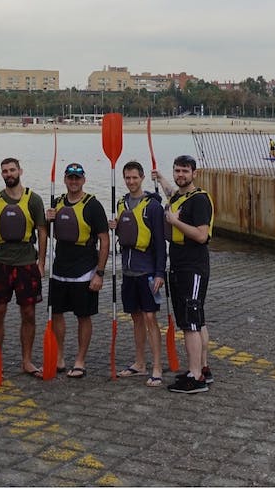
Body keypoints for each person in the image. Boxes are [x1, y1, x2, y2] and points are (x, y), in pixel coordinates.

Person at [153, 155, 214, 394]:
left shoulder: (199, 200)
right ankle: (202, 368)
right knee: (197, 319)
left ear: (194, 174)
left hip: (193, 266)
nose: (180, 175)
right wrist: (160, 179)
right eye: (177, 171)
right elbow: (171, 193)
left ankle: (195, 376)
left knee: (190, 323)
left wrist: (174, 222)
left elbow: (201, 236)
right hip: (179, 264)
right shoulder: (180, 196)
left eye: (185, 171)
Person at [0, 157, 47, 377]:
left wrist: (41, 262)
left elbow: (42, 231)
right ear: (1, 174)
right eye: (5, 171)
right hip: (1, 262)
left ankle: (27, 361)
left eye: (12, 170)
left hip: (26, 264)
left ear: (20, 171)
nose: (9, 174)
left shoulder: (34, 199)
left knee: (28, 313)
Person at [45, 162, 109, 378]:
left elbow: (104, 239)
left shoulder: (93, 205)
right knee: (57, 314)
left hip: (84, 270)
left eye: (77, 178)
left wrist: (99, 273)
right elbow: (51, 233)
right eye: (70, 177)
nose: (73, 181)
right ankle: (60, 356)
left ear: (83, 180)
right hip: (60, 268)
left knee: (83, 316)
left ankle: (80, 360)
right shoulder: (57, 203)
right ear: (64, 179)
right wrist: (48, 219)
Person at [108, 161, 166, 386]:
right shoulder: (121, 203)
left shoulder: (153, 206)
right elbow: (126, 234)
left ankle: (157, 367)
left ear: (142, 178)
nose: (131, 181)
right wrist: (115, 226)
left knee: (151, 317)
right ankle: (139, 363)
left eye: (135, 177)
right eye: (127, 178)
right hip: (129, 271)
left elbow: (161, 243)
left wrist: (160, 273)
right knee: (136, 318)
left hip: (148, 271)